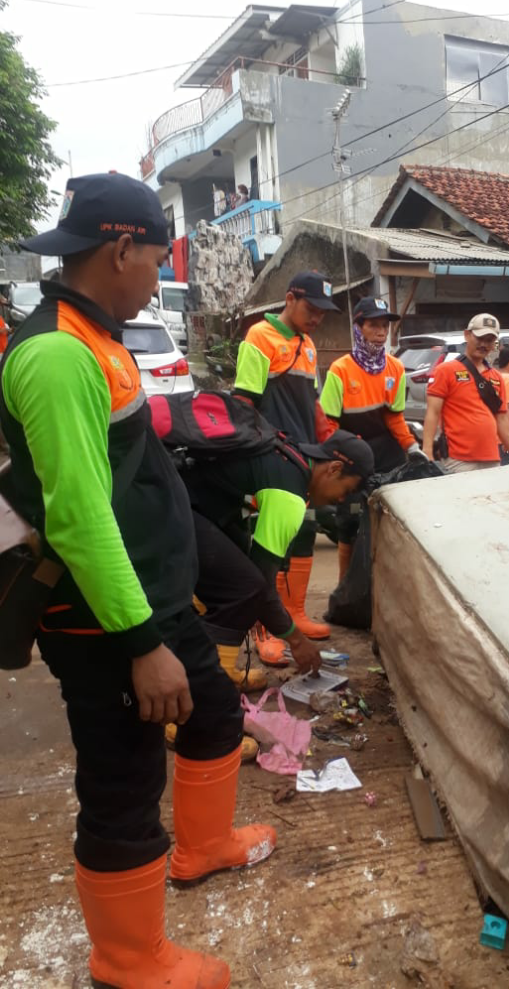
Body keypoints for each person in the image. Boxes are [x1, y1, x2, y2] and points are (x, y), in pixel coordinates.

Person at [0, 173, 272, 989]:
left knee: (216, 712)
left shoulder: (96, 332)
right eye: (156, 259)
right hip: (102, 618)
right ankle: (127, 960)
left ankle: (202, 848)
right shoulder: (55, 354)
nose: (158, 276)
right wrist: (140, 643)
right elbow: (79, 518)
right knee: (122, 780)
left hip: (147, 600)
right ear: (121, 248)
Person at [185, 430, 374, 668]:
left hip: (185, 497)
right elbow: (262, 588)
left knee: (235, 573)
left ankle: (207, 662)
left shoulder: (288, 454)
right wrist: (297, 642)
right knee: (246, 587)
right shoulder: (289, 496)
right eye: (346, 491)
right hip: (172, 504)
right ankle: (215, 675)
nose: (340, 500)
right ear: (334, 469)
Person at [234, 270, 339, 640]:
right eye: (311, 308)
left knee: (305, 530)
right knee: (271, 539)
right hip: (271, 454)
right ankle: (264, 629)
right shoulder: (259, 337)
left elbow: (310, 403)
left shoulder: (307, 345)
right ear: (290, 299)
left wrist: (327, 441)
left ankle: (294, 614)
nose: (316, 318)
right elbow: (244, 401)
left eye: (323, 313)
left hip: (303, 453)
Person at [319, 296, 424, 578]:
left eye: (385, 326)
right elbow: (328, 423)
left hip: (386, 452)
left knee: (390, 520)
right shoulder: (340, 370)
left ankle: (383, 588)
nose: (381, 332)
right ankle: (346, 590)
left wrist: (412, 446)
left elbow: (394, 417)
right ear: (358, 328)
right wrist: (340, 457)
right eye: (374, 325)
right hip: (351, 453)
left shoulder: (395, 368)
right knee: (349, 523)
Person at [422, 313, 509, 473]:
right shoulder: (445, 370)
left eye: (489, 340)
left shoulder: (496, 377)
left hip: (492, 458)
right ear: (467, 335)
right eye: (479, 338)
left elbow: (502, 421)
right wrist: (427, 451)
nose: (483, 344)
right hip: (458, 459)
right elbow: (432, 412)